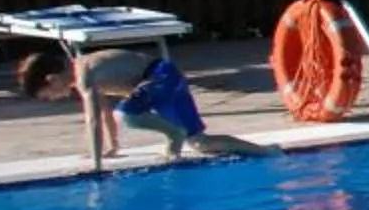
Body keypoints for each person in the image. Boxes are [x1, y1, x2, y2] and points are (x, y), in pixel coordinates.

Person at [19, 48, 267, 159]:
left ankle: (173, 136)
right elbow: (103, 113)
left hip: (159, 77)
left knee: (127, 114)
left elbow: (92, 120)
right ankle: (266, 152)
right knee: (200, 142)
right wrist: (112, 147)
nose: (53, 100)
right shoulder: (86, 74)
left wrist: (96, 169)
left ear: (51, 80)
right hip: (167, 76)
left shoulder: (83, 73)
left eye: (47, 96)